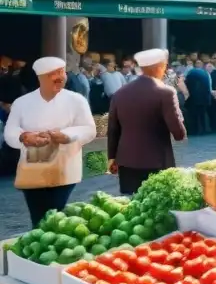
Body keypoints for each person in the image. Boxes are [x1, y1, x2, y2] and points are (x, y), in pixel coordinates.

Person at [3, 57, 96, 226]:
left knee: (55, 214)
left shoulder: (76, 100)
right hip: (32, 169)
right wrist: (24, 137)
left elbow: (89, 130)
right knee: (38, 217)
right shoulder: (22, 103)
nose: (59, 77)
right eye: (53, 74)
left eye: (62, 72)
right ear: (41, 78)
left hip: (65, 167)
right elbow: (10, 132)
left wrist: (66, 136)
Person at [107, 49, 187, 195]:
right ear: (159, 67)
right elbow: (179, 134)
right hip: (156, 162)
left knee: (133, 206)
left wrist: (111, 157)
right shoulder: (166, 92)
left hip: (126, 161)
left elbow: (113, 130)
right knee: (157, 207)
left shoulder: (120, 93)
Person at [184, 58, 213, 135]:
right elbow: (209, 86)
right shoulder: (205, 73)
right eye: (197, 63)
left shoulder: (190, 73)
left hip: (195, 98)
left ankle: (196, 129)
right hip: (200, 98)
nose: (198, 64)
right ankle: (202, 129)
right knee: (200, 115)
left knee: (196, 115)